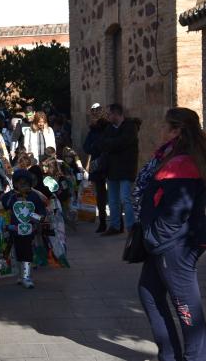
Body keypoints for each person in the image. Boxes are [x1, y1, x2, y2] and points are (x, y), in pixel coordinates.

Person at [135, 108, 206, 361]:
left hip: (174, 245)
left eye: (164, 126)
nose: (159, 130)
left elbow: (177, 209)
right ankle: (170, 355)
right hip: (167, 243)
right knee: (149, 292)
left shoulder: (182, 162)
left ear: (176, 131)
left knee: (187, 309)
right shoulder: (171, 155)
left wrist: (155, 237)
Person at [98, 103, 141, 235]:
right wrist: (112, 144)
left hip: (126, 169)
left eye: (109, 114)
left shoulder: (130, 127)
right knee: (113, 200)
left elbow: (122, 143)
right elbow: (102, 143)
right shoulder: (109, 128)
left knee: (125, 199)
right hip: (112, 169)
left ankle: (131, 228)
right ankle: (115, 226)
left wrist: (111, 144)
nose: (107, 116)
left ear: (116, 114)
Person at [0, 169, 46, 288]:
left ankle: (26, 276)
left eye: (25, 182)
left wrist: (32, 218)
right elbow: (1, 206)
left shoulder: (34, 196)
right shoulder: (11, 196)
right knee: (18, 252)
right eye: (19, 182)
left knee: (27, 252)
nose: (22, 185)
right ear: (14, 183)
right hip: (14, 230)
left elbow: (42, 213)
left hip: (29, 231)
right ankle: (21, 276)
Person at [83, 103, 110, 233]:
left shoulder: (109, 129)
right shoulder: (93, 131)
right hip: (98, 164)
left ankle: (115, 222)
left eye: (98, 113)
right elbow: (86, 147)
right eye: (94, 113)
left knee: (111, 194)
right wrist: (96, 147)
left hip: (109, 164)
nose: (96, 116)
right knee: (100, 194)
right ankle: (103, 221)